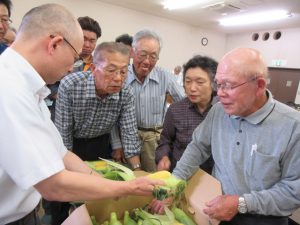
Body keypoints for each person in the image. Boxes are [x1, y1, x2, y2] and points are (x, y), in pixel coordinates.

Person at [0, 4, 162, 225]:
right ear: (55, 44)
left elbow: (60, 152)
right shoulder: (9, 88)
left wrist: (100, 180)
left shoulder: (28, 88)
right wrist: (124, 187)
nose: (71, 67)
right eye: (75, 56)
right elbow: (52, 184)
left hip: (25, 211)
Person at [154, 47, 300, 225]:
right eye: (218, 84)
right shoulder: (219, 111)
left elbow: (294, 190)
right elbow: (198, 146)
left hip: (264, 218)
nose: (220, 93)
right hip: (218, 209)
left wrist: (241, 203)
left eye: (229, 85)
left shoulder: (293, 126)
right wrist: (174, 183)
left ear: (259, 86)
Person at [55, 41, 141, 166]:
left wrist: (137, 169)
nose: (118, 78)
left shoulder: (126, 92)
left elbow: (129, 133)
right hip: (73, 144)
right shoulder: (71, 85)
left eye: (123, 72)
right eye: (111, 70)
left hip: (102, 145)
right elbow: (64, 134)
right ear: (94, 69)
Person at [126, 29, 185, 172]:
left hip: (154, 140)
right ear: (132, 53)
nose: (147, 61)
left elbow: (184, 103)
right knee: (127, 180)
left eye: (153, 56)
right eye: (143, 55)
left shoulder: (165, 76)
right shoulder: (122, 75)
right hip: (127, 137)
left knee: (154, 180)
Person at [156, 55, 218, 174]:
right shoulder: (175, 110)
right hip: (181, 173)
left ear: (213, 83)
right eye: (188, 81)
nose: (192, 88)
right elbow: (165, 140)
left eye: (200, 82)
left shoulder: (223, 110)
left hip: (212, 177)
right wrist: (164, 157)